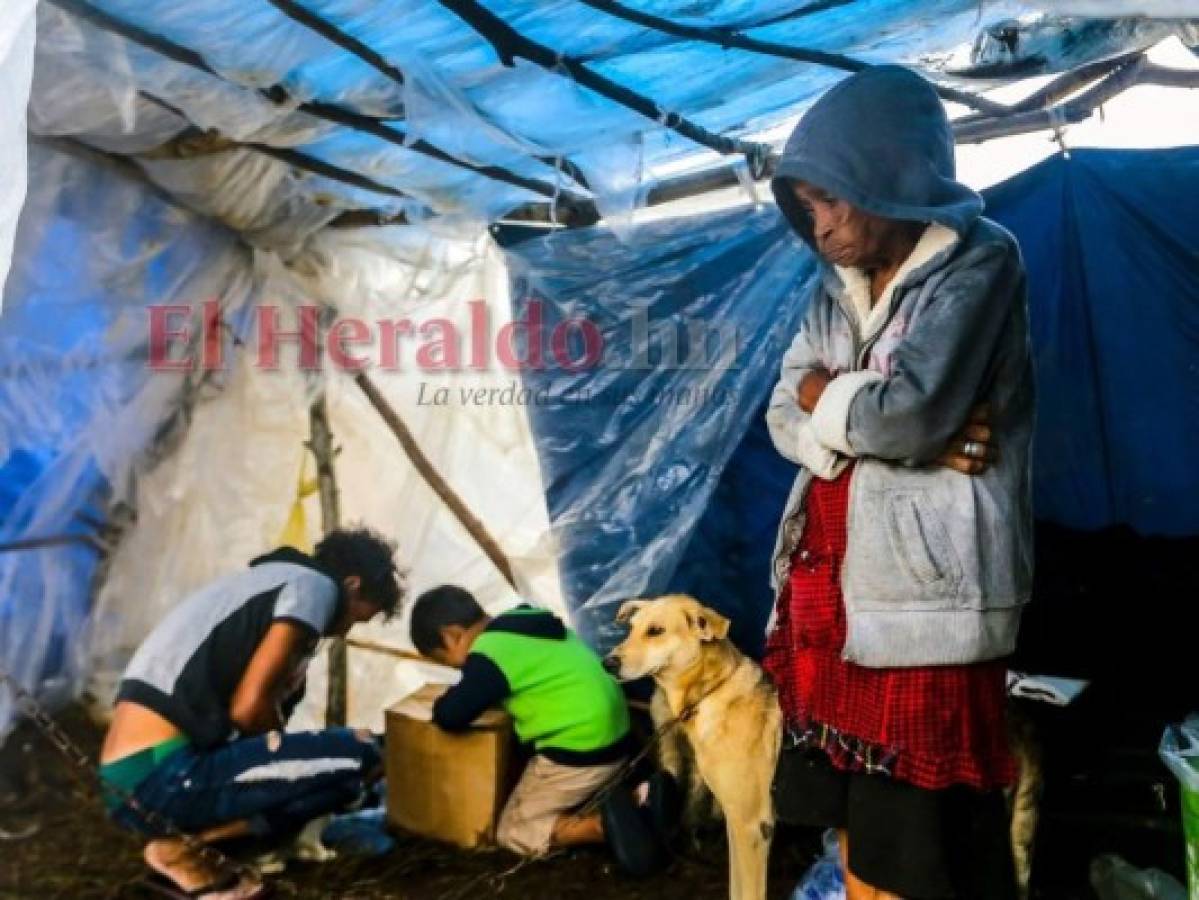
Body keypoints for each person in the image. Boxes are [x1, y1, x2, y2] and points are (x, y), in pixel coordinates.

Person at [763, 66, 1035, 900]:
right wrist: (875, 417)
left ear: (886, 175)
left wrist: (838, 400)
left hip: (921, 595)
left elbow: (910, 416)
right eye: (807, 207)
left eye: (833, 201)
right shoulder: (829, 287)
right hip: (827, 587)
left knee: (918, 840)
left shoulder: (977, 262)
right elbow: (781, 413)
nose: (822, 229)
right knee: (849, 823)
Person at [99, 528, 404, 899]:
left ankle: (194, 850)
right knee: (363, 752)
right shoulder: (313, 586)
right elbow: (249, 707)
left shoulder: (259, 584)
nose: (344, 630)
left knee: (338, 782)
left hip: (131, 783)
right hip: (166, 775)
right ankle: (183, 851)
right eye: (358, 617)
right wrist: (291, 753)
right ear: (352, 585)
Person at [410, 586, 664, 871]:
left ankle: (603, 827)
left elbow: (451, 715)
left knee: (512, 831)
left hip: (579, 750)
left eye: (443, 660)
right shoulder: (527, 623)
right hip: (617, 737)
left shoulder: (489, 653)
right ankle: (640, 795)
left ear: (451, 636)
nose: (456, 669)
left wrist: (443, 701)